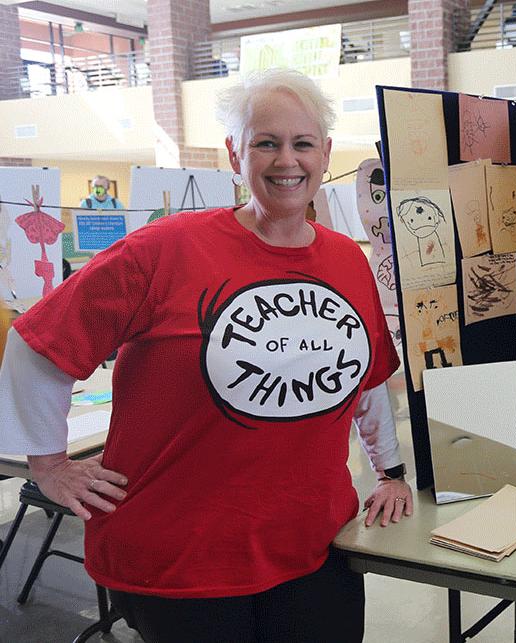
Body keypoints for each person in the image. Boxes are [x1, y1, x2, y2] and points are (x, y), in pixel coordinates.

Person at [0, 69, 412, 642]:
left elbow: (365, 378)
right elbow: (38, 341)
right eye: (265, 142)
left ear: (324, 154)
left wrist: (391, 473)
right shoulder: (165, 249)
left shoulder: (346, 260)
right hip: (182, 559)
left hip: (314, 544)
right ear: (234, 153)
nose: (285, 160)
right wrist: (47, 465)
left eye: (302, 143)